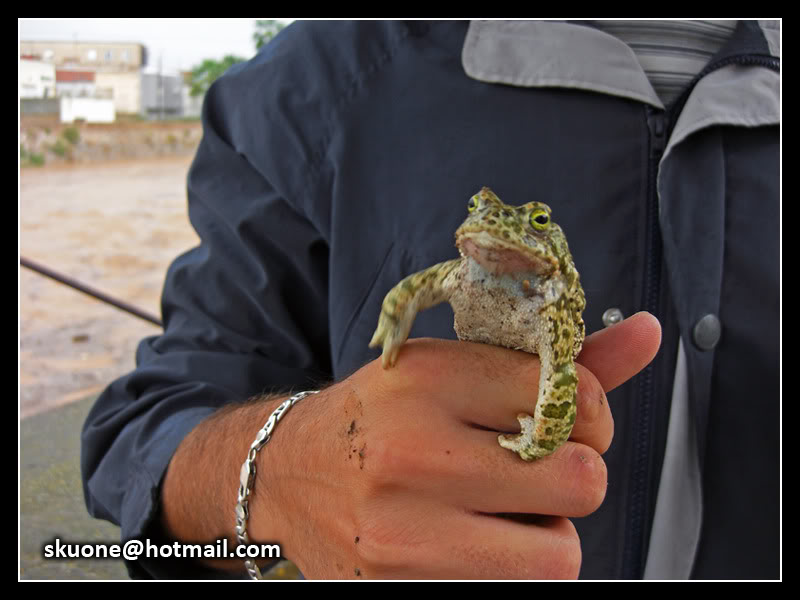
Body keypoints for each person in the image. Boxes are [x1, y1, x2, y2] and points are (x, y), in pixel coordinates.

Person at [81, 20, 780, 579]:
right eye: (484, 212)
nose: (499, 225)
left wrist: (538, 439)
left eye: (530, 220)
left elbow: (560, 380)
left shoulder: (552, 297)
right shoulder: (323, 81)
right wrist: (281, 470)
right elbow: (137, 432)